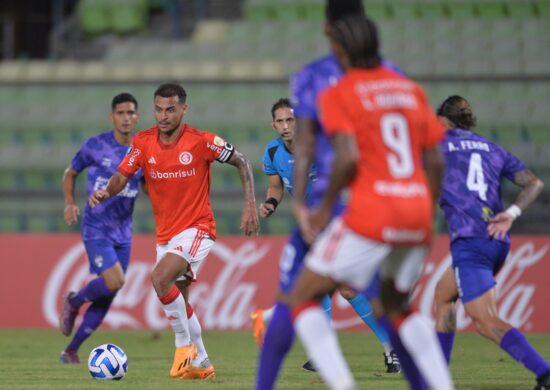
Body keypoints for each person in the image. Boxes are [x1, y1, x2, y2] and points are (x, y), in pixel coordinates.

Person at [288, 14, 455, 390]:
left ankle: (343, 385)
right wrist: (426, 207)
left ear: (337, 47)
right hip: (417, 211)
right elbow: (437, 159)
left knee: (301, 296)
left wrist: (323, 205)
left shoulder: (338, 93)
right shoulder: (408, 89)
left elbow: (345, 159)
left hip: (373, 211)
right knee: (398, 307)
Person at [88, 83, 260, 380]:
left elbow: (241, 161)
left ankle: (182, 346)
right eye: (158, 109)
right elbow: (121, 175)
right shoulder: (143, 142)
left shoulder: (202, 141)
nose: (163, 116)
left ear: (183, 109)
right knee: (179, 300)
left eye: (170, 109)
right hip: (166, 235)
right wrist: (106, 192)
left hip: (198, 229)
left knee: (158, 277)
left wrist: (250, 204)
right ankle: (203, 362)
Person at [252, 98, 398, 374]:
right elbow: (276, 187)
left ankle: (390, 346)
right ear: (273, 125)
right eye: (280, 121)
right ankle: (340, 351)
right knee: (325, 288)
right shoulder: (272, 153)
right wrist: (270, 204)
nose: (285, 126)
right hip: (311, 227)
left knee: (341, 287)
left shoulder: (320, 145)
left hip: (336, 222)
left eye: (290, 120)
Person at [432, 95, 550, 390]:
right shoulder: (491, 148)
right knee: (444, 295)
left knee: (485, 322)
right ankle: (436, 379)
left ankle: (545, 374)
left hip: (470, 242)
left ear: (443, 121)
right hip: (496, 240)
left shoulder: (438, 145)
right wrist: (511, 213)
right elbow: (534, 183)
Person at [59, 93, 143, 364]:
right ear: (112, 117)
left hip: (124, 231)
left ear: (137, 117)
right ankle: (74, 301)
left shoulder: (143, 151)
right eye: (121, 113)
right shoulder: (94, 146)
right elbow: (70, 173)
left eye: (130, 113)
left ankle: (71, 350)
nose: (126, 118)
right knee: (115, 281)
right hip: (97, 227)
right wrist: (70, 202)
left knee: (110, 291)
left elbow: (151, 186)